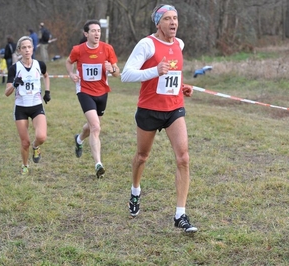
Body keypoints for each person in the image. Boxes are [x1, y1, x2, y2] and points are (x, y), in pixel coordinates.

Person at [121, 4, 197, 233]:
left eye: (175, 18)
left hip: (174, 109)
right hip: (149, 110)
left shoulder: (179, 44)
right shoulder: (146, 44)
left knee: (183, 158)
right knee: (142, 156)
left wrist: (181, 86)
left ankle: (180, 215)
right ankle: (135, 191)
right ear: (158, 23)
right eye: (167, 19)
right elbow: (126, 75)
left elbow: (172, 74)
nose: (173, 23)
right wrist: (154, 71)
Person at [65, 20, 120, 179]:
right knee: (96, 127)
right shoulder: (78, 50)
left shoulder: (107, 49)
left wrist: (113, 69)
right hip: (85, 91)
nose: (97, 33)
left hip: (102, 92)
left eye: (98, 31)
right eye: (93, 31)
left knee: (91, 126)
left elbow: (117, 73)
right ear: (86, 34)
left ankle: (79, 138)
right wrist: (71, 74)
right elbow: (69, 62)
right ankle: (98, 164)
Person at [4, 36, 51, 175]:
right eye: (23, 47)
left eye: (29, 47)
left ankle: (36, 147)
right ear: (19, 50)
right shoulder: (14, 68)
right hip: (21, 108)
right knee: (25, 142)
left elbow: (46, 76)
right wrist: (14, 84)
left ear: (33, 49)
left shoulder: (39, 64)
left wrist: (47, 91)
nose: (27, 50)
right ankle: (25, 165)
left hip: (36, 106)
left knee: (41, 137)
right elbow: (7, 92)